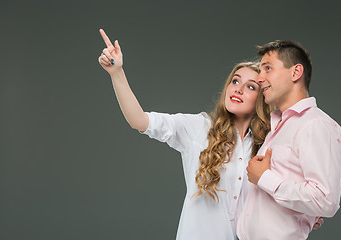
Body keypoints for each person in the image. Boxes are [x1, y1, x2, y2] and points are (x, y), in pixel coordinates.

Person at [97, 29, 272, 240]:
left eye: (250, 86)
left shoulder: (267, 144)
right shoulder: (199, 128)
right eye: (235, 81)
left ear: (262, 99)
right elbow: (139, 121)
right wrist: (117, 73)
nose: (238, 89)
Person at [237, 40, 341, 240]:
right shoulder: (278, 126)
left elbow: (325, 200)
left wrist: (265, 178)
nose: (260, 78)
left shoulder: (315, 125)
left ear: (295, 72)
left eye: (267, 68)